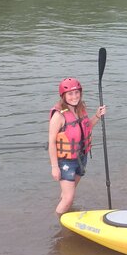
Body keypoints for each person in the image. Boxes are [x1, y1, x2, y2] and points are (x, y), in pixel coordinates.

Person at [48, 77, 106, 215]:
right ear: (63, 96)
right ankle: (59, 224)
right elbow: (51, 142)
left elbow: (87, 127)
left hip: (81, 157)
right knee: (69, 198)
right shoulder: (59, 116)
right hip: (65, 161)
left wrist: (97, 115)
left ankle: (66, 211)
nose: (74, 97)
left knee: (69, 192)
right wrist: (54, 167)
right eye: (70, 94)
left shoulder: (81, 109)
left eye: (77, 93)